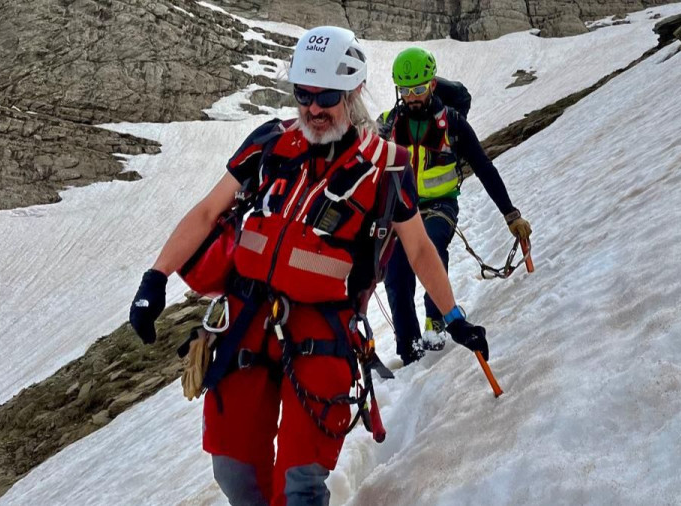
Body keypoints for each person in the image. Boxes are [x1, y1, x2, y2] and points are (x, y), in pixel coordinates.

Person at [128, 27, 489, 506]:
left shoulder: (387, 168)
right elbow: (207, 212)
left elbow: (420, 249)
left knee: (300, 486)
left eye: (326, 96)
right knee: (235, 474)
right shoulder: (269, 144)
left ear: (355, 90)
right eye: (304, 94)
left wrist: (455, 317)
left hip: (325, 334)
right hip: (246, 326)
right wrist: (155, 278)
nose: (314, 108)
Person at [376, 47, 532, 365]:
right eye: (405, 90)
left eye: (418, 88)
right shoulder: (388, 124)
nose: (412, 96)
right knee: (396, 271)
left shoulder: (453, 123)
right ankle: (408, 346)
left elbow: (484, 167)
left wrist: (510, 214)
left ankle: (437, 321)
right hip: (400, 211)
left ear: (433, 85)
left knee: (431, 245)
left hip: (440, 206)